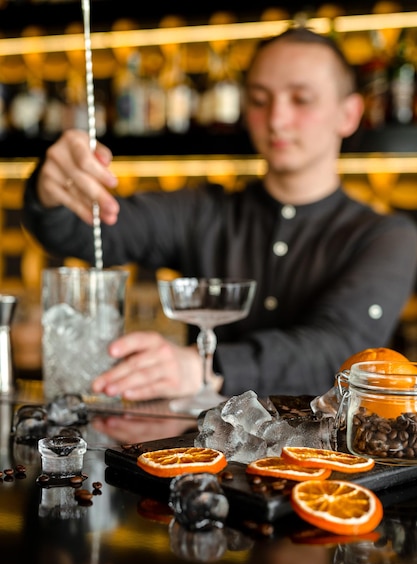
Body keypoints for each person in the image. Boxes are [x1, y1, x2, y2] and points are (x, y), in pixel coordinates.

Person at [22, 27, 417, 408]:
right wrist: (51, 188)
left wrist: (202, 368)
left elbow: (338, 349)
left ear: (348, 114)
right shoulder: (202, 211)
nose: (277, 119)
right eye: (260, 100)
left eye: (301, 99)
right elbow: (81, 235)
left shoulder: (386, 237)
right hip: (203, 459)